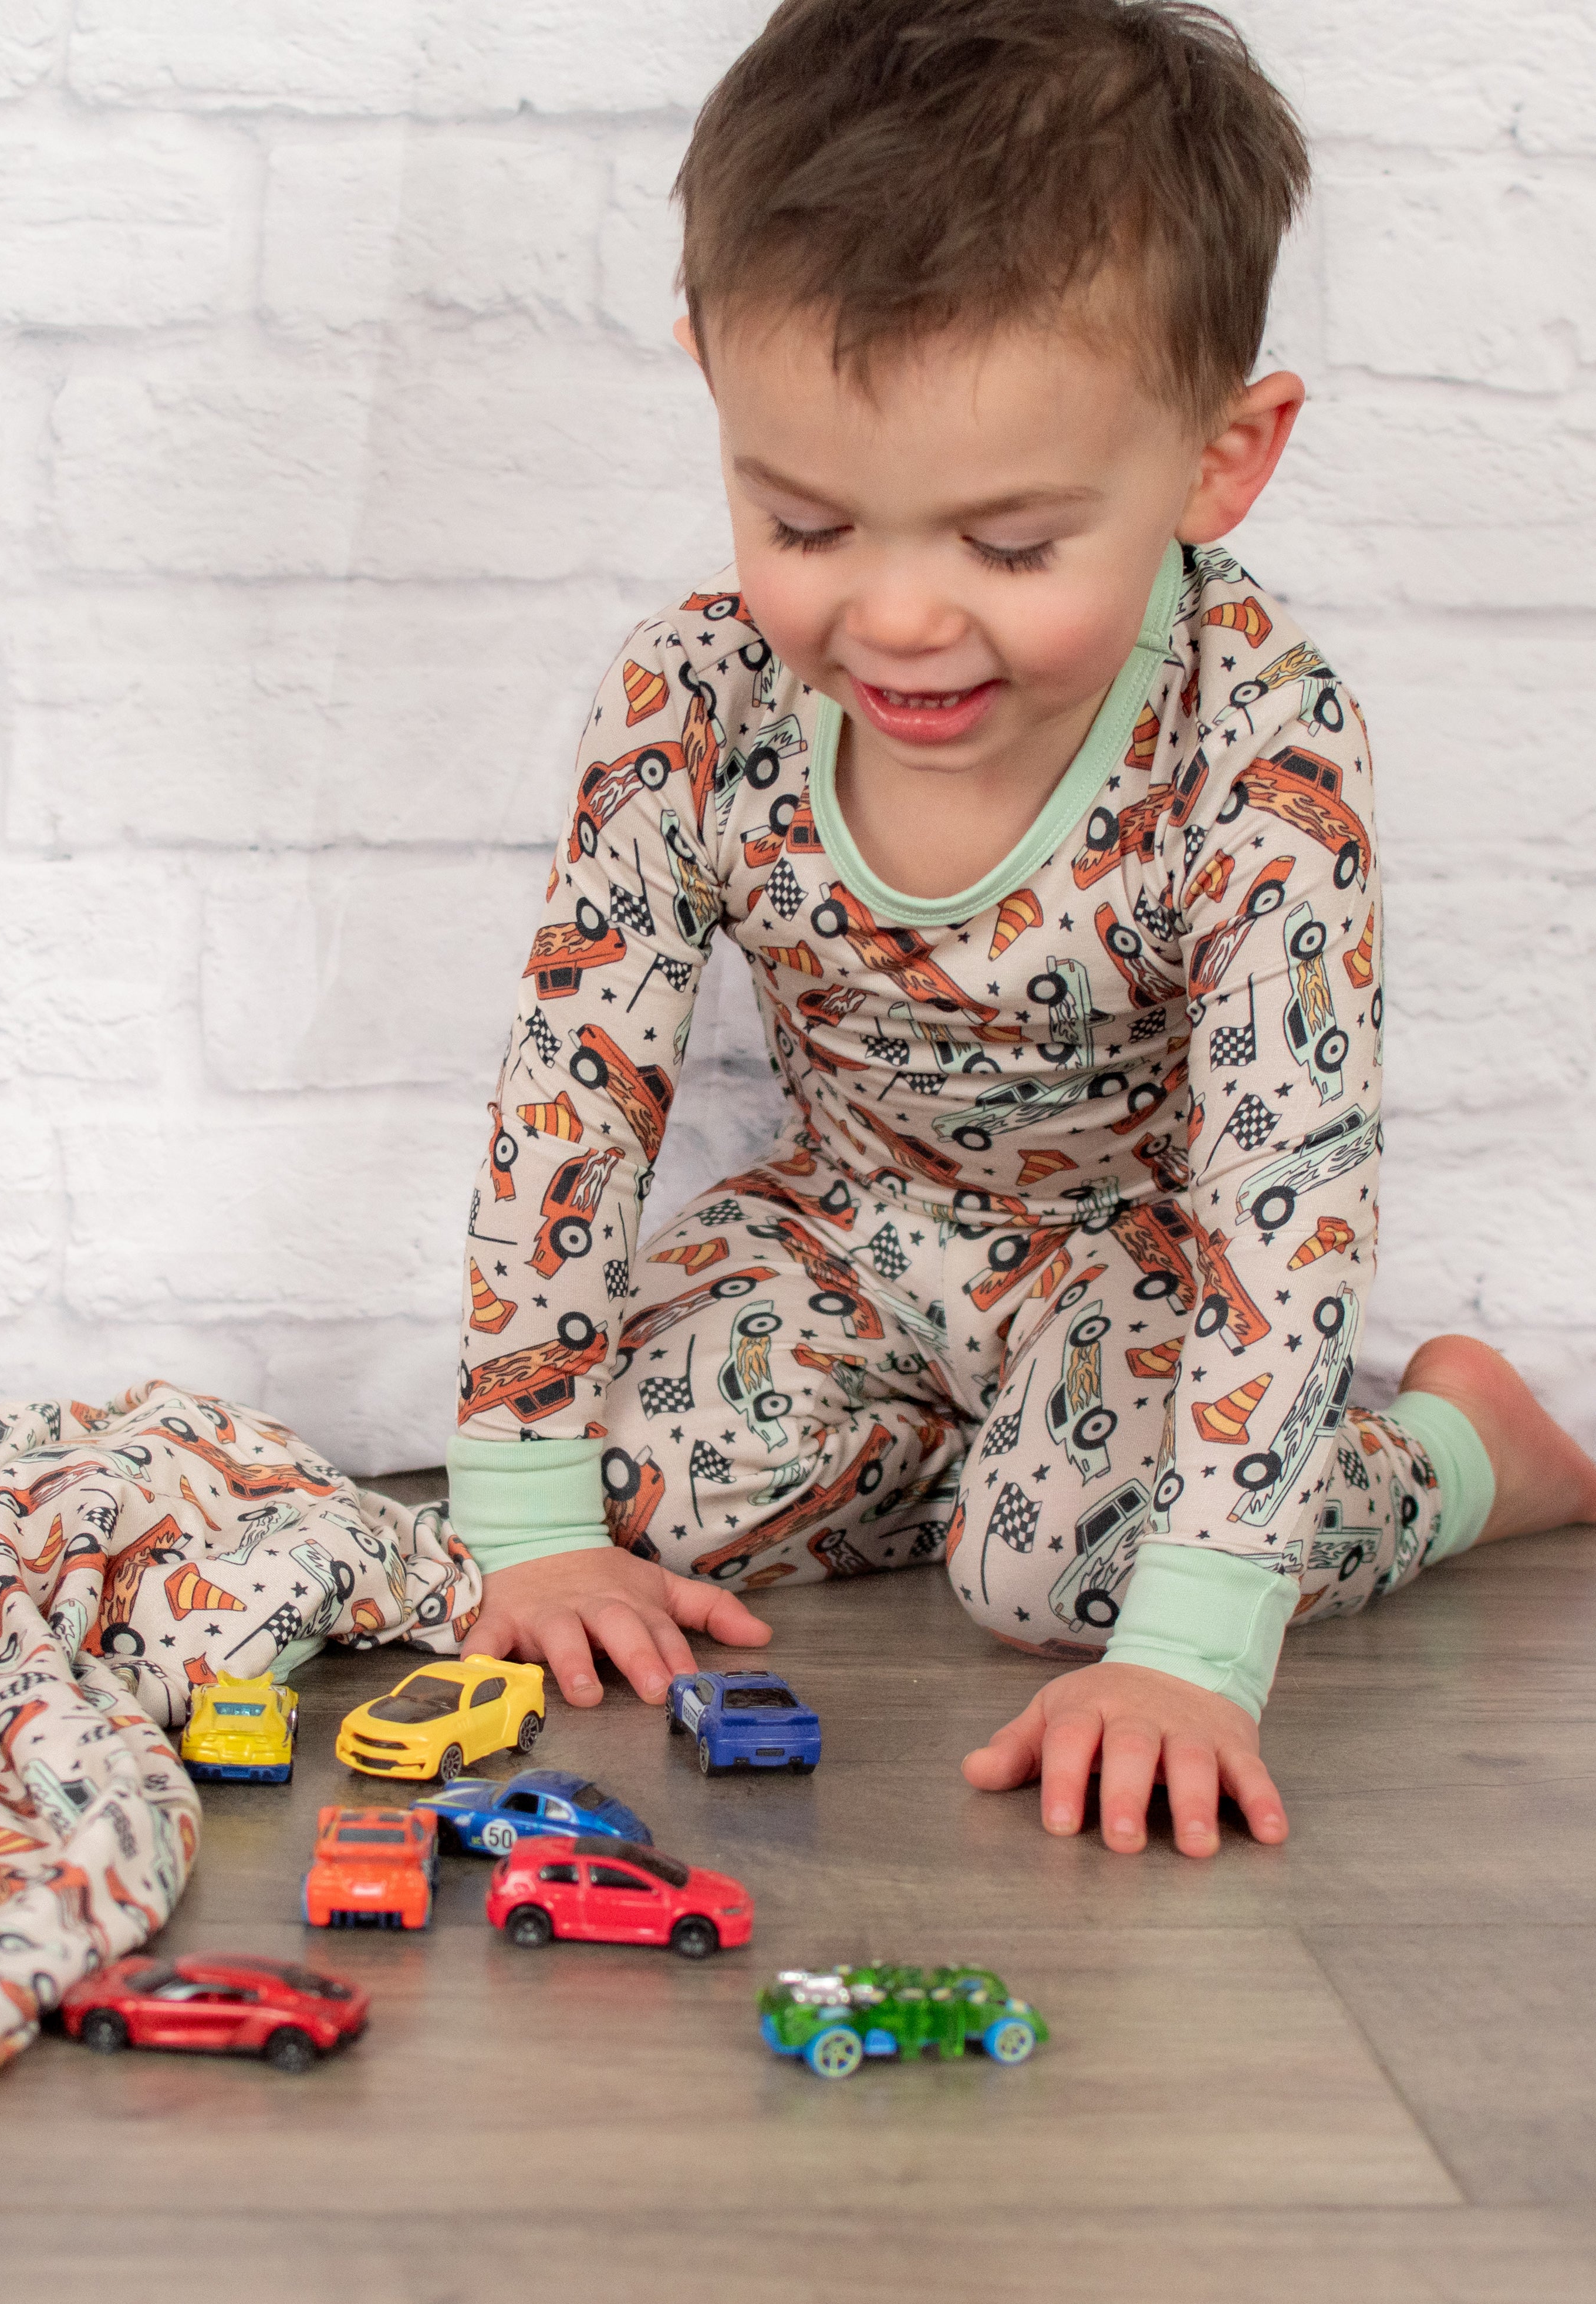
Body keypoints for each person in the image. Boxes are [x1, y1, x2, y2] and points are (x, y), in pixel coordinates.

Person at [447, 0, 1596, 1858]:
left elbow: (1287, 1182)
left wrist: (1198, 1643)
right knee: (628, 1490)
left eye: (1006, 548)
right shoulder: (693, 697)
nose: (900, 619)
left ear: (1221, 460)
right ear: (715, 391)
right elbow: (577, 1081)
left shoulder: (1254, 738)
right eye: (806, 521)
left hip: (1133, 1260)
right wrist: (526, 1513)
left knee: (1064, 1578)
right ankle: (984, 1461)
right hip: (849, 1223)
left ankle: (1465, 1457)